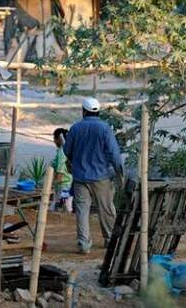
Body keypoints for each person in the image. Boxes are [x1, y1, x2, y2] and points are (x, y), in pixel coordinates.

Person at [63, 97, 123, 254]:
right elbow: (114, 154)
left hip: (80, 178)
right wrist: (119, 173)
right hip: (101, 177)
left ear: (83, 111)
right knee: (106, 209)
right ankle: (110, 240)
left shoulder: (75, 128)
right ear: (98, 112)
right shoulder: (104, 129)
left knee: (82, 211)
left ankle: (84, 244)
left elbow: (66, 151)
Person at [52, 128, 73, 212]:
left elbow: (60, 172)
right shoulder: (68, 150)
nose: (54, 141)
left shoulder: (61, 152)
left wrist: (53, 184)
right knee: (66, 206)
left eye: (54, 138)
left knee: (60, 207)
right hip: (68, 183)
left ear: (58, 139)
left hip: (63, 184)